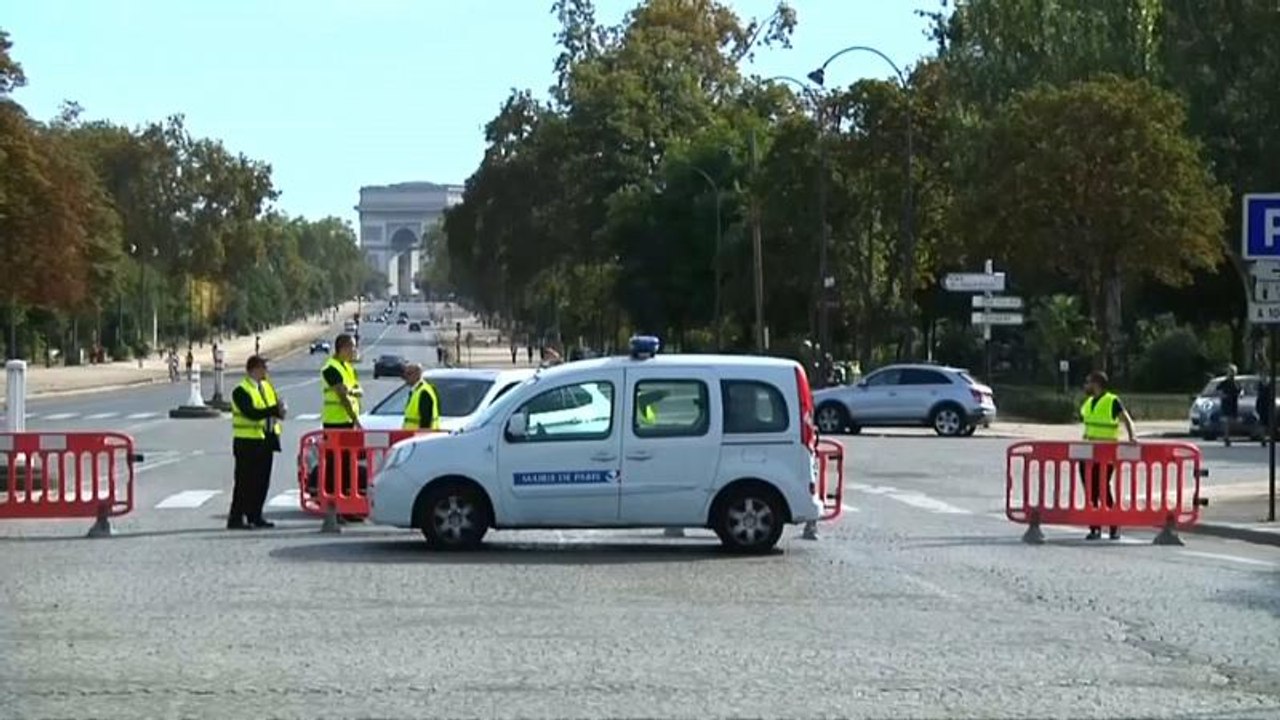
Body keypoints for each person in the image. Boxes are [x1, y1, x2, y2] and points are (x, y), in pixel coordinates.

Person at [1079, 370, 1137, 541]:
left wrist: (1132, 436)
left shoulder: (1112, 401)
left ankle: (1113, 525)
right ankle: (1094, 527)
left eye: (1088, 382)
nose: (1086, 385)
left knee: (1103, 489)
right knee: (1090, 491)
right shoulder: (1089, 402)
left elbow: (1126, 418)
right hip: (1088, 452)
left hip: (1106, 453)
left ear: (1096, 383)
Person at [228, 355, 285, 529]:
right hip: (247, 441)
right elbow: (250, 413)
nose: (266, 372)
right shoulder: (241, 390)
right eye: (263, 368)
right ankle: (236, 518)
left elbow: (273, 406)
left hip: (266, 439)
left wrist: (279, 410)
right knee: (245, 482)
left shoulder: (266, 387)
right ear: (253, 369)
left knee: (262, 482)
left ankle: (256, 515)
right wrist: (274, 410)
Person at [401, 363, 441, 431]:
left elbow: (426, 419)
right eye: (404, 374)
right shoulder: (416, 391)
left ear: (417, 375)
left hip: (419, 437)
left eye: (409, 374)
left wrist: (422, 436)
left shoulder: (424, 392)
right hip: (412, 436)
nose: (405, 377)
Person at [1218, 364, 1241, 447]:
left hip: (1233, 403)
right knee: (1227, 420)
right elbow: (1218, 390)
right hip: (1226, 403)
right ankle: (1226, 437)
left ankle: (1229, 435)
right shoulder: (1224, 382)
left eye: (1233, 372)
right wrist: (1222, 395)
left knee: (1232, 420)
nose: (1231, 374)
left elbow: (1240, 390)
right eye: (1230, 371)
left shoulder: (1236, 383)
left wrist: (1241, 394)